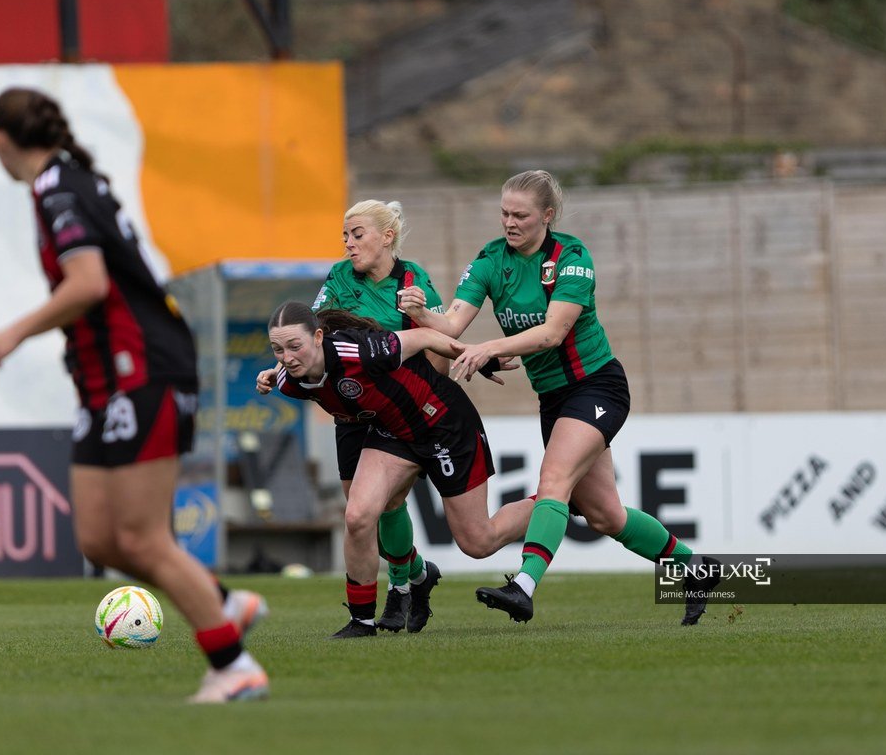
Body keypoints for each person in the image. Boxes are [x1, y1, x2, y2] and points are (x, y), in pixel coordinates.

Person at [0, 87, 268, 703]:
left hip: (141, 371)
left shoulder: (58, 190)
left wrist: (13, 332)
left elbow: (88, 284)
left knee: (140, 538)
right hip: (104, 379)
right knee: (100, 540)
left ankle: (233, 665)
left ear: (2, 140)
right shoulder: (67, 181)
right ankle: (223, 601)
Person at [399, 169, 720, 625]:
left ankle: (524, 586)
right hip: (553, 400)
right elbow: (451, 327)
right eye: (504, 213)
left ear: (547, 215)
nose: (509, 223)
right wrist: (421, 313)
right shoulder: (491, 260)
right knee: (606, 516)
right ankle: (695, 569)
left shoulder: (571, 257)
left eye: (521, 215)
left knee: (554, 483)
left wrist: (490, 347)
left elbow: (552, 334)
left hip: (597, 387)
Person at [258, 200, 511, 633]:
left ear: (386, 236)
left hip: (411, 410)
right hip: (352, 406)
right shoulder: (339, 278)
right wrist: (282, 368)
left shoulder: (412, 283)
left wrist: (428, 393)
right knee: (362, 511)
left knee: (457, 532)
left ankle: (400, 586)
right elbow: (307, 338)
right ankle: (407, 581)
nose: (348, 244)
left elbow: (433, 342)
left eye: (357, 234)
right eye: (344, 235)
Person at [263, 302, 535, 638]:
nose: (287, 357)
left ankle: (557, 501)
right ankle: (362, 621)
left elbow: (423, 336)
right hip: (394, 434)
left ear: (319, 337)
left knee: (478, 542)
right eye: (278, 349)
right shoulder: (289, 380)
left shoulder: (361, 351)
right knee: (358, 516)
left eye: (295, 346)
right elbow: (285, 371)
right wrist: (272, 373)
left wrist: (476, 356)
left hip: (444, 423)